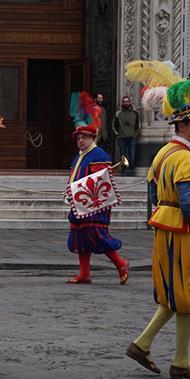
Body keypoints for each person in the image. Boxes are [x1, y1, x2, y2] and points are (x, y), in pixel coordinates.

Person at [126, 82, 190, 379]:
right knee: (188, 295)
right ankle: (180, 362)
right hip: (183, 231)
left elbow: (154, 195)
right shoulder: (188, 159)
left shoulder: (163, 153)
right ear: (181, 126)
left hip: (165, 228)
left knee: (174, 294)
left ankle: (142, 344)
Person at [66, 91, 129, 285]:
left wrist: (79, 194)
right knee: (80, 237)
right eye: (78, 138)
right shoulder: (79, 156)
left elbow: (101, 182)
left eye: (84, 137)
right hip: (79, 201)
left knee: (96, 236)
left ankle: (121, 263)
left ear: (92, 137)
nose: (80, 141)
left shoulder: (99, 155)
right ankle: (84, 273)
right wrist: (70, 193)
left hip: (94, 204)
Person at [113, 95, 140, 175]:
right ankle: (124, 170)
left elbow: (138, 125)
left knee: (132, 156)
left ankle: (131, 170)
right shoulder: (118, 113)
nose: (125, 103)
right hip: (122, 138)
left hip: (132, 138)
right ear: (122, 102)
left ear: (129, 102)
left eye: (127, 101)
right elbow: (114, 125)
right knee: (123, 156)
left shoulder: (135, 113)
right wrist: (118, 134)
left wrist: (136, 134)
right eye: (124, 101)